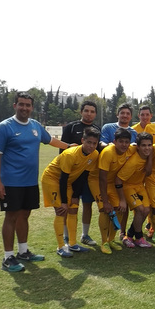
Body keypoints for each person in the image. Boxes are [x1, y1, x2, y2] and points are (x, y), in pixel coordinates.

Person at [0, 92, 71, 272]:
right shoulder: (5, 127)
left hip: (30, 182)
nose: (24, 108)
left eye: (28, 105)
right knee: (10, 217)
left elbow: (50, 140)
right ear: (15, 106)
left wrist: (69, 147)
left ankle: (23, 251)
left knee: (24, 215)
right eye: (21, 104)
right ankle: (7, 257)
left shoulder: (35, 126)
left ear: (32, 107)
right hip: (11, 182)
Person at [42, 127, 100, 257]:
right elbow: (63, 179)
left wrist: (75, 195)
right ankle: (61, 246)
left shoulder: (94, 154)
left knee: (73, 208)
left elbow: (83, 176)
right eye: (88, 142)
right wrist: (63, 202)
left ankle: (73, 244)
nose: (91, 146)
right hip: (52, 179)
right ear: (82, 140)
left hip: (68, 182)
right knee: (61, 210)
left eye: (94, 143)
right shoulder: (70, 154)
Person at [88, 128, 136, 254]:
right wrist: (105, 201)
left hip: (112, 183)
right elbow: (102, 179)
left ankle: (111, 240)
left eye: (127, 142)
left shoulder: (131, 149)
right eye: (121, 141)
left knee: (120, 208)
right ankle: (104, 242)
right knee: (105, 209)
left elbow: (144, 149)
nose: (124, 145)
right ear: (114, 141)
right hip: (97, 181)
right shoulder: (108, 152)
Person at [60, 100, 101, 246]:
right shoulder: (71, 127)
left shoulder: (97, 129)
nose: (89, 114)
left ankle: (85, 235)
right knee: (71, 205)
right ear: (81, 112)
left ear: (95, 114)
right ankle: (67, 237)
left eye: (92, 111)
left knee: (87, 204)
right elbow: (63, 150)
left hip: (87, 175)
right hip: (70, 175)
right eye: (86, 110)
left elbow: (97, 151)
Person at [116, 132, 154, 248]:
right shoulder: (133, 162)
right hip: (127, 186)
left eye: (149, 145)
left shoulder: (149, 153)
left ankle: (129, 235)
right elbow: (118, 180)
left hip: (139, 186)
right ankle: (139, 237)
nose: (147, 148)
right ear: (138, 146)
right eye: (143, 145)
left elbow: (153, 150)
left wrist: (150, 161)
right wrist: (122, 199)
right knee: (140, 209)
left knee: (147, 210)